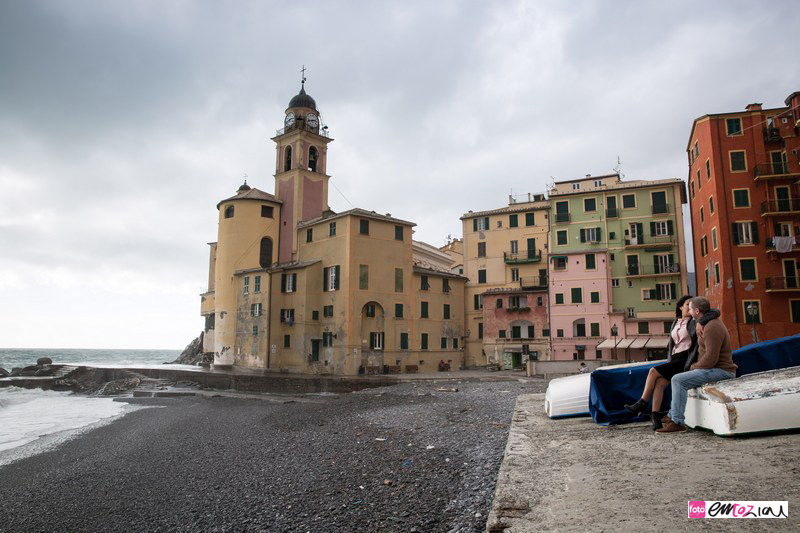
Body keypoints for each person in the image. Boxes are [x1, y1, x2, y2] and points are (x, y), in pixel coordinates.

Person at [657, 296, 737, 434]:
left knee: (678, 380)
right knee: (680, 378)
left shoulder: (712, 327)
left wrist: (693, 367)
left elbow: (711, 359)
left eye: (690, 308)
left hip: (721, 370)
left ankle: (677, 422)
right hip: (714, 368)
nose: (687, 310)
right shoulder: (706, 322)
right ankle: (672, 415)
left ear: (697, 311)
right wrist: (700, 322)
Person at [623, 295, 697, 430]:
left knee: (653, 371)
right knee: (659, 384)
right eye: (687, 304)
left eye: (692, 305)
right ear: (680, 307)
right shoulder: (676, 323)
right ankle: (655, 416)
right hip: (675, 358)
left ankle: (642, 402)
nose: (690, 307)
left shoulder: (693, 322)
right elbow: (671, 344)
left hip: (685, 358)